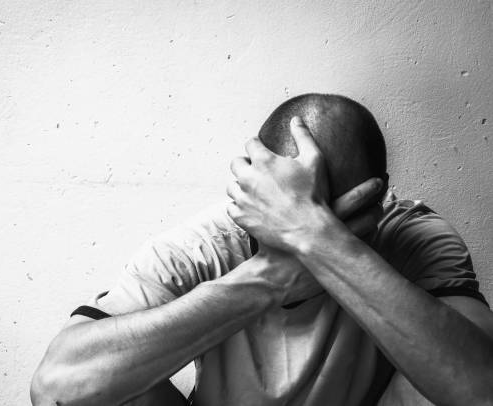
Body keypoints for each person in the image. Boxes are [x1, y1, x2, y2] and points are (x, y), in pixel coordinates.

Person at [30, 94, 493, 406]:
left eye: (333, 213)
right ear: (252, 190)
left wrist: (318, 241)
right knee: (109, 384)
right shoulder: (203, 245)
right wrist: (272, 275)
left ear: (377, 196)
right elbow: (58, 386)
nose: (309, 221)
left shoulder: (412, 233)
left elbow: (482, 390)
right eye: (293, 207)